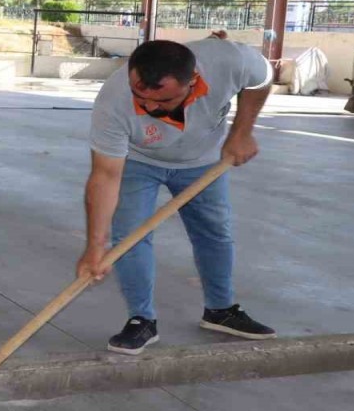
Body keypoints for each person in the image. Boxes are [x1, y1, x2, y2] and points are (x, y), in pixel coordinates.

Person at [75, 36, 276, 355]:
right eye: (142, 98)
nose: (151, 107)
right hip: (139, 160)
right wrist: (94, 247)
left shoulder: (228, 60)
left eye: (164, 100)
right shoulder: (113, 100)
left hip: (203, 160)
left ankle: (220, 311)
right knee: (130, 237)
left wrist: (242, 131)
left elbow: (262, 78)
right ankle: (142, 320)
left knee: (214, 233)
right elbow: (105, 175)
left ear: (193, 81)